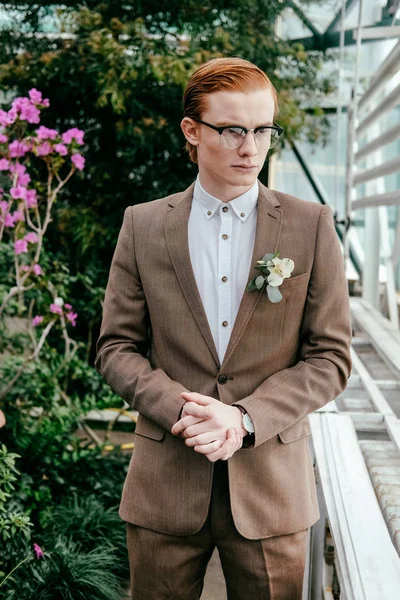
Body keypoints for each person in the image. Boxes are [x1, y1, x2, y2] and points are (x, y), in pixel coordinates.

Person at [95, 57, 352, 600]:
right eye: (233, 129)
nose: (250, 148)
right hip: (165, 483)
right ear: (192, 130)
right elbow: (116, 347)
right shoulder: (142, 226)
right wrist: (183, 411)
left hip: (271, 490)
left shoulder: (311, 226)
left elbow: (330, 357)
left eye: (263, 130)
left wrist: (243, 418)